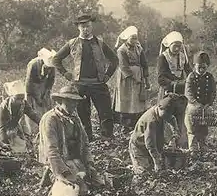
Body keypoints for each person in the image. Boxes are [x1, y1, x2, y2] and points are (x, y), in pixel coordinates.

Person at [52, 13, 119, 141]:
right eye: (83, 27)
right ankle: (87, 139)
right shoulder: (72, 43)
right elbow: (56, 59)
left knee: (105, 113)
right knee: (83, 114)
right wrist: (66, 73)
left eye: (88, 26)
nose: (86, 29)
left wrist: (108, 75)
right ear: (78, 28)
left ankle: (107, 139)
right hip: (80, 85)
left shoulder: (99, 43)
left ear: (91, 26)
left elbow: (114, 60)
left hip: (98, 83)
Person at [38, 85, 97, 195]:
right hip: (58, 161)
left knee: (97, 182)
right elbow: (51, 150)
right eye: (69, 101)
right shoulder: (51, 119)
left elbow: (85, 143)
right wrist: (62, 173)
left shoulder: (74, 118)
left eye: (75, 102)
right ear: (60, 101)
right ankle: (50, 176)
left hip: (74, 158)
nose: (73, 105)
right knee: (78, 189)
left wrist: (89, 163)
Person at [0, 80, 41, 156]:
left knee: (21, 148)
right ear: (11, 97)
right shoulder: (3, 109)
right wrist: (5, 145)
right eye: (17, 98)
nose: (20, 101)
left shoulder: (24, 104)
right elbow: (2, 129)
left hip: (13, 128)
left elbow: (33, 115)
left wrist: (42, 123)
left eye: (22, 98)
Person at [128, 94, 181, 177]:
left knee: (157, 170)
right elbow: (150, 144)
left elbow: (172, 119)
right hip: (139, 147)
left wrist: (174, 137)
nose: (167, 117)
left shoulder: (164, 113)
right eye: (166, 114)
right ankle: (135, 168)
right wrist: (156, 161)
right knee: (143, 174)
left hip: (154, 146)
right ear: (159, 108)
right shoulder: (151, 120)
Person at [113, 26, 151, 133]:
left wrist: (146, 79)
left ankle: (136, 123)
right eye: (132, 38)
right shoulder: (121, 50)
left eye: (136, 38)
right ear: (127, 38)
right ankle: (126, 125)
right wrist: (133, 78)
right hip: (126, 78)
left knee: (137, 100)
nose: (134, 40)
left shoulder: (139, 49)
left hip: (139, 75)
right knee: (127, 100)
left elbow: (145, 64)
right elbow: (123, 66)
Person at [157, 31, 192, 148]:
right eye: (174, 46)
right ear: (169, 45)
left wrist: (193, 79)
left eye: (179, 46)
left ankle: (181, 141)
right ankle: (168, 141)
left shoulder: (182, 56)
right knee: (168, 114)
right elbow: (161, 77)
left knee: (181, 114)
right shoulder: (163, 57)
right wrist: (174, 83)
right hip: (169, 90)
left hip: (181, 90)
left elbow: (188, 71)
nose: (177, 48)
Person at [184, 51, 217, 153]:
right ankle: (193, 148)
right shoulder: (191, 76)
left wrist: (209, 103)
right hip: (193, 104)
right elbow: (188, 91)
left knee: (204, 127)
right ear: (195, 65)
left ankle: (203, 146)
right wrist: (194, 102)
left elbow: (213, 91)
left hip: (205, 105)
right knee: (192, 127)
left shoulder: (209, 77)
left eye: (204, 67)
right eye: (199, 67)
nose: (202, 69)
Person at [25, 48, 56, 136]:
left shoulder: (52, 65)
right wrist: (38, 98)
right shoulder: (33, 64)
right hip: (33, 89)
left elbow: (51, 80)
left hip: (44, 87)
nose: (48, 68)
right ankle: (34, 132)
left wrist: (46, 92)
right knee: (34, 110)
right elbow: (30, 83)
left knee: (46, 108)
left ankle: (46, 129)